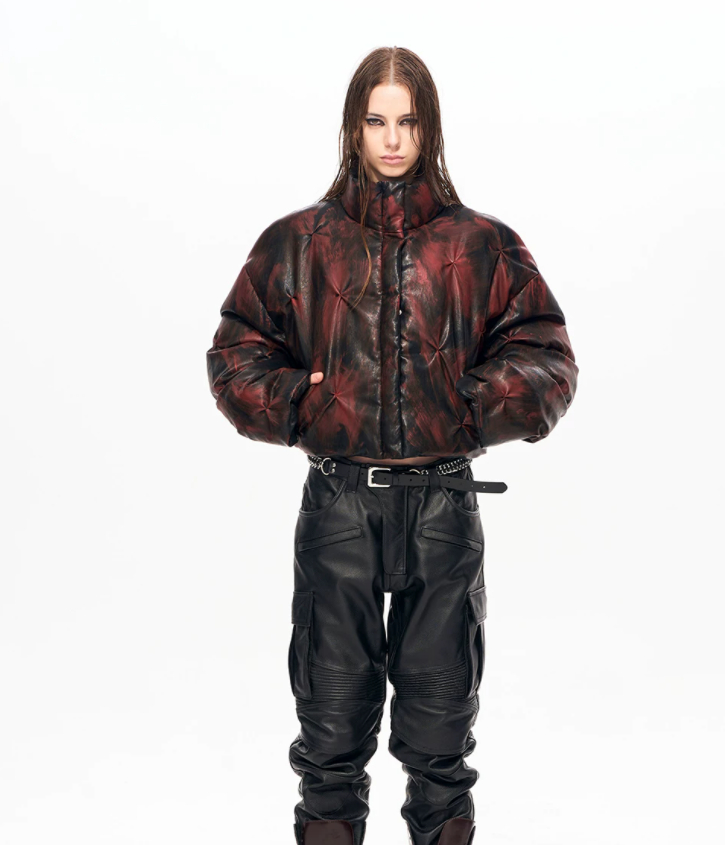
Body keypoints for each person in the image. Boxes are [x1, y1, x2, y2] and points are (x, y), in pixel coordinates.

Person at [206, 46, 578, 845]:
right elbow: (235, 355)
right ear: (352, 127)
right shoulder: (297, 243)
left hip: (443, 504)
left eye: (407, 121)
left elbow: (547, 358)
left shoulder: (482, 245)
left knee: (441, 731)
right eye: (376, 121)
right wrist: (299, 402)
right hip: (339, 504)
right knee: (330, 726)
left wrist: (473, 403)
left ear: (429, 128)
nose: (392, 139)